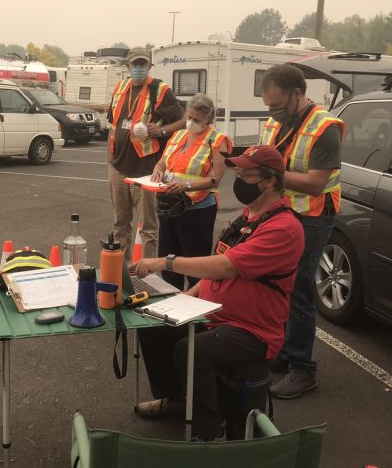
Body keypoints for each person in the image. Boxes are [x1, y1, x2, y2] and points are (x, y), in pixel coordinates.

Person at [130, 145, 305, 441]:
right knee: (154, 325)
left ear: (270, 181)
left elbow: (226, 267)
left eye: (245, 173)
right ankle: (176, 399)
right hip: (216, 312)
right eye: (237, 171)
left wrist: (166, 261)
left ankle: (207, 432)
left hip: (253, 330)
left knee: (191, 350)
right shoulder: (249, 215)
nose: (237, 178)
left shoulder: (284, 228)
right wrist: (185, 299)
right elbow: (216, 271)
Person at [259, 64, 344, 399]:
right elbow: (269, 156)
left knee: (299, 289)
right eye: (268, 106)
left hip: (312, 216)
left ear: (297, 94)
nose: (273, 113)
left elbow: (315, 183)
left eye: (278, 106)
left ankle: (303, 369)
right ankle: (282, 352)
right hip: (279, 212)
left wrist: (269, 176)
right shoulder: (275, 120)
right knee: (275, 283)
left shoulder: (324, 128)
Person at [107, 46, 184, 261]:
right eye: (135, 64)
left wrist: (161, 130)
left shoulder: (159, 90)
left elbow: (183, 120)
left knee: (148, 228)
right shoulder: (120, 88)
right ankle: (121, 273)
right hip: (119, 168)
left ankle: (147, 276)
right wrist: (110, 163)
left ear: (149, 66)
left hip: (146, 171)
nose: (139, 69)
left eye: (143, 65)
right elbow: (113, 127)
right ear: (128, 66)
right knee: (120, 225)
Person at [151, 93, 232, 289]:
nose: (190, 122)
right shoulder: (179, 135)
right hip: (170, 207)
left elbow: (215, 179)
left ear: (208, 119)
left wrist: (185, 186)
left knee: (195, 265)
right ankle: (172, 304)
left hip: (197, 211)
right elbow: (163, 162)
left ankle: (195, 310)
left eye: (196, 120)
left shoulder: (217, 140)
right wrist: (157, 169)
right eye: (188, 117)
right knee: (168, 264)